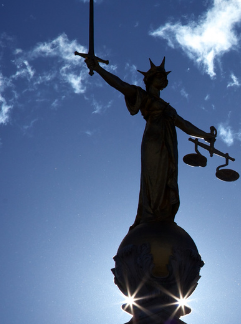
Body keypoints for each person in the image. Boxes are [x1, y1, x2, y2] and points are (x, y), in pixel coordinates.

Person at [84, 57, 216, 231]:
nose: (163, 80)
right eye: (159, 77)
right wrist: (99, 69)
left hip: (169, 144)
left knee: (168, 177)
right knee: (153, 179)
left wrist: (204, 135)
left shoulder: (168, 107)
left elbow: (184, 125)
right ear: (150, 80)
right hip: (153, 142)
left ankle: (163, 213)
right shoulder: (143, 95)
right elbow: (120, 85)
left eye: (164, 77)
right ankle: (150, 214)